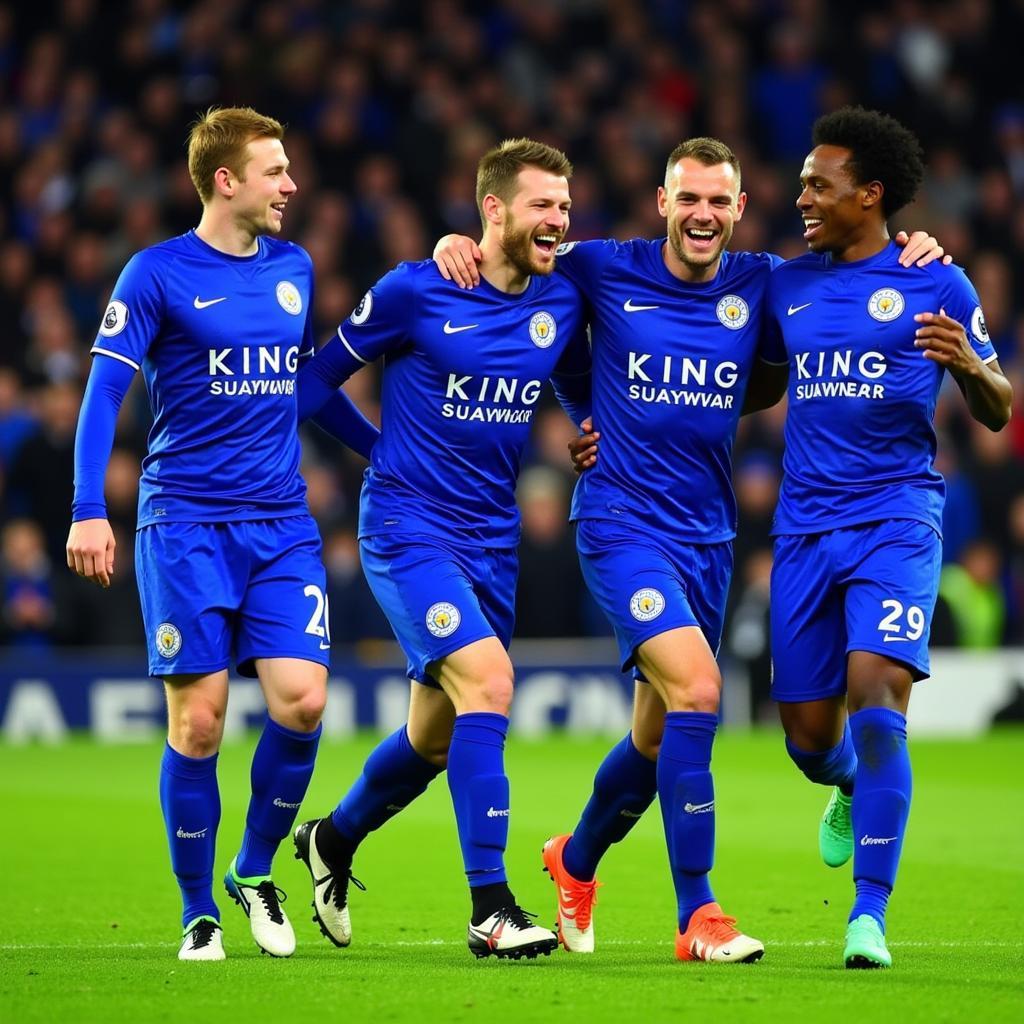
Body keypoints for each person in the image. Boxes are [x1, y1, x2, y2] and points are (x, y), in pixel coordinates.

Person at [434, 139, 946, 963]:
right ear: (662, 203)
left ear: (739, 210)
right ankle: (697, 913)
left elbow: (804, 340)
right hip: (619, 524)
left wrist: (916, 246)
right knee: (700, 691)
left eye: (719, 201)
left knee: (653, 737)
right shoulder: (602, 267)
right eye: (688, 199)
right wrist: (454, 245)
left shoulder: (763, 283)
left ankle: (575, 860)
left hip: (705, 535)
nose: (703, 214)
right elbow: (514, 263)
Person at [65, 107, 376, 962]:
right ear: (226, 180)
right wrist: (89, 507)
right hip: (185, 525)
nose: (292, 185)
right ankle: (199, 911)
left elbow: (305, 388)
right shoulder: (155, 273)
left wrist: (384, 454)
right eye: (276, 171)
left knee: (304, 700)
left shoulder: (294, 267)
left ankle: (252, 866)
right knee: (199, 725)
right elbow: (102, 396)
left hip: (280, 522)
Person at [292, 138, 590, 961]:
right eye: (541, 205)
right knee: (491, 683)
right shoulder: (417, 289)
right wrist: (380, 446)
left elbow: (570, 373)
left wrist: (588, 423)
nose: (558, 221)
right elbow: (313, 384)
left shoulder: (561, 298)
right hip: (408, 526)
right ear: (491, 209)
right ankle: (490, 908)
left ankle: (333, 840)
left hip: (492, 539)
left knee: (433, 737)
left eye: (565, 208)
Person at [765, 107, 1012, 968]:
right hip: (802, 529)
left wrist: (971, 368)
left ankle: (867, 916)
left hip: (897, 517)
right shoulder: (785, 284)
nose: (802, 197)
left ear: (869, 196)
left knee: (878, 694)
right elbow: (741, 371)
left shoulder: (937, 284)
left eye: (817, 186)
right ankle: (844, 787)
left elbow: (998, 409)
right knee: (805, 734)